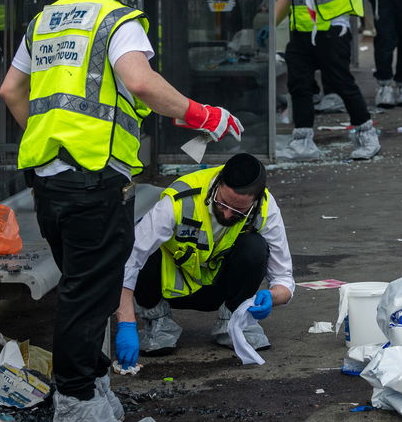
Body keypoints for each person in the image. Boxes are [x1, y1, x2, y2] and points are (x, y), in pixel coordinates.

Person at [0, 0, 242, 422]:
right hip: (95, 181)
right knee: (87, 297)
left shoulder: (45, 21)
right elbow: (138, 81)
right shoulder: (119, 21)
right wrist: (203, 115)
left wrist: (48, 136)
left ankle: (96, 397)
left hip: (49, 183)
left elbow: (11, 89)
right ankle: (78, 416)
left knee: (88, 289)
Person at [115, 154, 294, 360]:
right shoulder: (181, 198)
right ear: (217, 183)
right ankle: (157, 322)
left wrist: (272, 297)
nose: (227, 215)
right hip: (168, 289)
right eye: (222, 203)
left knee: (255, 247)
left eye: (238, 210)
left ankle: (233, 322)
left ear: (256, 200)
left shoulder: (265, 207)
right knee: (144, 243)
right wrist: (126, 322)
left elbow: (284, 278)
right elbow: (130, 260)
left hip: (217, 290)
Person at [276, 0, 380, 161]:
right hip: (301, 31)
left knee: (342, 83)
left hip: (331, 30)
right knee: (299, 85)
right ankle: (303, 143)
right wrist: (270, 25)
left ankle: (367, 136)